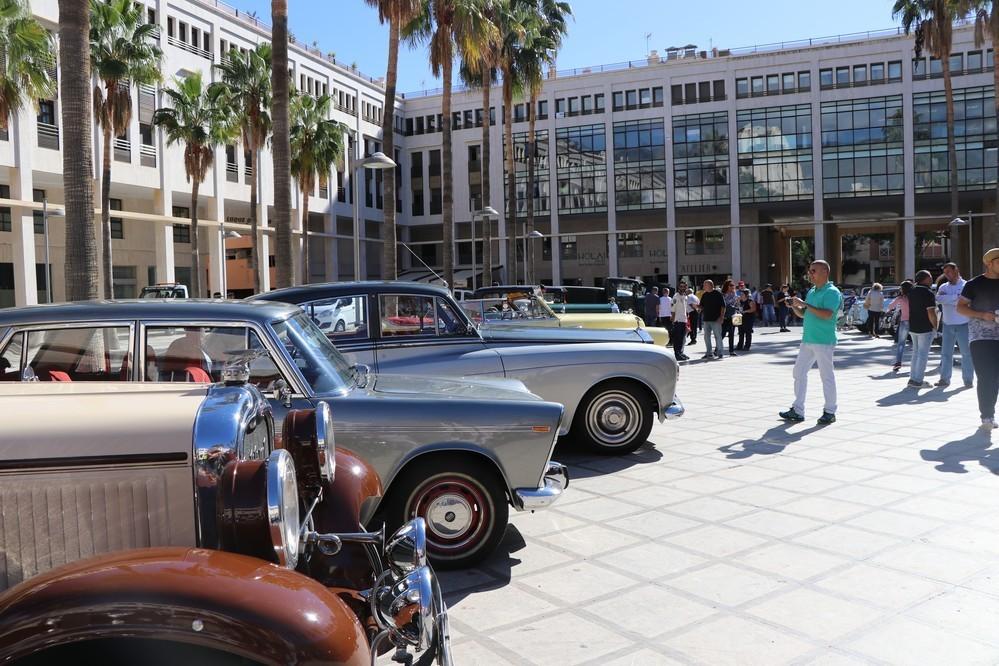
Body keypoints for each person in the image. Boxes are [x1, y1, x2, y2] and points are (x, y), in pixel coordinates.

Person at [779, 260, 842, 425]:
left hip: (824, 341)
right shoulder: (812, 291)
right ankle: (797, 410)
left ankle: (830, 411)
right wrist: (794, 306)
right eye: (810, 270)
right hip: (808, 340)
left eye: (814, 270)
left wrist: (804, 304)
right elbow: (804, 314)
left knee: (826, 376)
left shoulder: (832, 292)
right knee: (798, 373)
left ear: (825, 272)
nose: (810, 273)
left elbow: (827, 314)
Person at [956, 248, 999, 430]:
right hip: (981, 337)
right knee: (987, 376)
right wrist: (982, 315)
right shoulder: (974, 284)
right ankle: (987, 416)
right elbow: (960, 308)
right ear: (989, 263)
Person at [935, 262, 974, 388]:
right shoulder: (943, 287)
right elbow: (939, 299)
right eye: (945, 273)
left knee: (966, 353)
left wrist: (949, 299)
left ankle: (968, 380)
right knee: (946, 353)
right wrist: (956, 298)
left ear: (956, 270)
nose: (947, 275)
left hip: (964, 324)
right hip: (947, 324)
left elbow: (967, 302)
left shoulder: (967, 285)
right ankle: (944, 379)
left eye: (949, 272)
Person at [904, 270, 938, 388]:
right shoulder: (928, 292)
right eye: (930, 276)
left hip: (913, 326)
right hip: (925, 327)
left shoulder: (911, 291)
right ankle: (918, 380)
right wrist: (935, 326)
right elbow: (931, 312)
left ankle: (913, 378)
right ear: (926, 278)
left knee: (916, 353)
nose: (932, 279)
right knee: (922, 355)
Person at [887, 280, 913, 372]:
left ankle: (898, 362)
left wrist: (887, 310)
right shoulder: (914, 297)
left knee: (901, 343)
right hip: (915, 322)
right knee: (917, 344)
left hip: (904, 321)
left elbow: (890, 306)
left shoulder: (900, 298)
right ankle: (916, 364)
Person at [698, 280, 725, 359]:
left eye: (704, 285)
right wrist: (697, 307)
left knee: (718, 336)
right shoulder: (704, 295)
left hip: (716, 319)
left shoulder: (718, 294)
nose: (703, 287)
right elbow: (702, 306)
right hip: (706, 319)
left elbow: (723, 306)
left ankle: (720, 352)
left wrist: (721, 317)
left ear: (710, 285)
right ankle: (709, 353)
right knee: (706, 337)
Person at [670, 283, 691, 361]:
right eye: (681, 286)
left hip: (684, 320)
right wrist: (673, 319)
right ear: (678, 287)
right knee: (677, 338)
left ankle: (681, 352)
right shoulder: (676, 296)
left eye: (684, 286)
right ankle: (677, 354)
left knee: (682, 338)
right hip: (678, 320)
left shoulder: (685, 296)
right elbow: (672, 308)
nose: (683, 288)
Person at [721, 279, 739, 356]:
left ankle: (731, 350)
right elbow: (724, 304)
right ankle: (716, 349)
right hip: (725, 316)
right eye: (731, 285)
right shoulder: (723, 294)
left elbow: (736, 305)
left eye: (733, 285)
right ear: (727, 286)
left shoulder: (735, 294)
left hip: (733, 315)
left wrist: (737, 301)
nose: (732, 287)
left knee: (731, 334)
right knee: (723, 334)